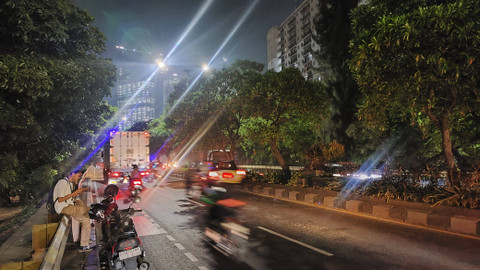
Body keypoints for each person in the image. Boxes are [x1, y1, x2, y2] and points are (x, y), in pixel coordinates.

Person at [53, 170, 92, 252]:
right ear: (73, 174)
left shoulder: (70, 183)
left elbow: (70, 197)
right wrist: (76, 192)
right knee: (85, 213)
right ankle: (84, 244)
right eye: (78, 175)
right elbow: (60, 199)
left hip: (68, 206)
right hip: (63, 207)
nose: (79, 177)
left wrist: (79, 192)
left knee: (86, 217)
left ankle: (85, 240)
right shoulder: (62, 183)